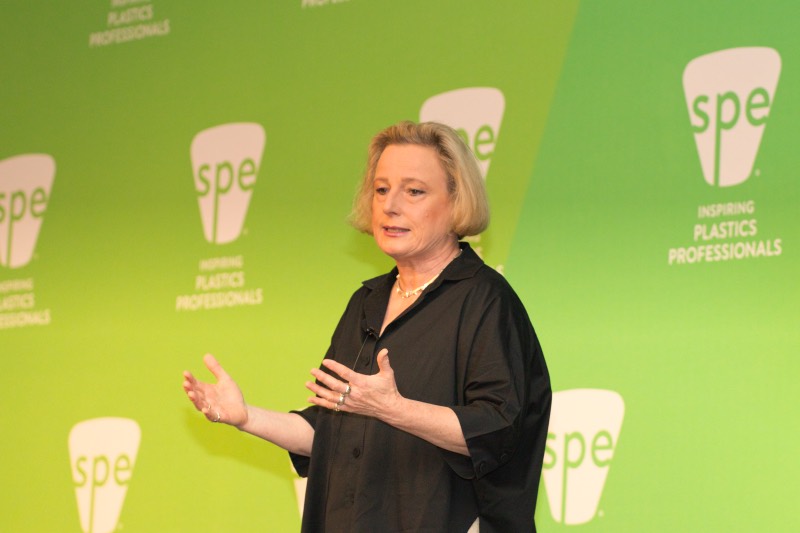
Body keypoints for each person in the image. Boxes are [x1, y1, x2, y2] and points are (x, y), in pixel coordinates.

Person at [183, 121, 551, 532]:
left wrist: (394, 408)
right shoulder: (367, 302)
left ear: (455, 202)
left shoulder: (486, 300)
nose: (390, 205)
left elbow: (498, 429)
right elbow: (330, 431)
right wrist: (246, 417)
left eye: (414, 191)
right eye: (381, 189)